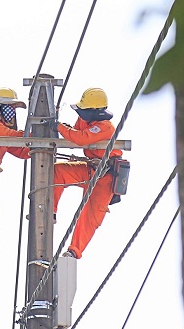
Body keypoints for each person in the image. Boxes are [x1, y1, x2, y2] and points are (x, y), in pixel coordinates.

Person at [51, 87, 123, 259]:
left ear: (94, 111)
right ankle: (49, 212)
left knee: (90, 217)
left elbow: (82, 138)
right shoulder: (84, 121)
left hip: (106, 176)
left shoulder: (106, 127)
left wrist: (58, 127)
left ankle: (74, 251)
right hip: (89, 169)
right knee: (58, 171)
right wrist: (58, 127)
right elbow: (75, 135)